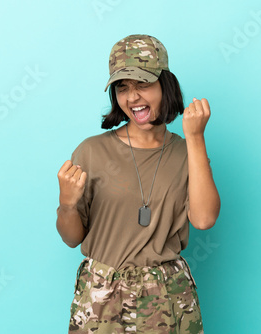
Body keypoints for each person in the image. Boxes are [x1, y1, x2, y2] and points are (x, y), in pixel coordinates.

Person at [56, 34, 220, 333]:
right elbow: (71, 238)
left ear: (165, 85)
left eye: (143, 84)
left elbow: (205, 219)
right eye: (123, 87)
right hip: (100, 297)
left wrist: (196, 138)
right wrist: (66, 204)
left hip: (167, 297)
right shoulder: (91, 151)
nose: (132, 97)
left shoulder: (187, 152)